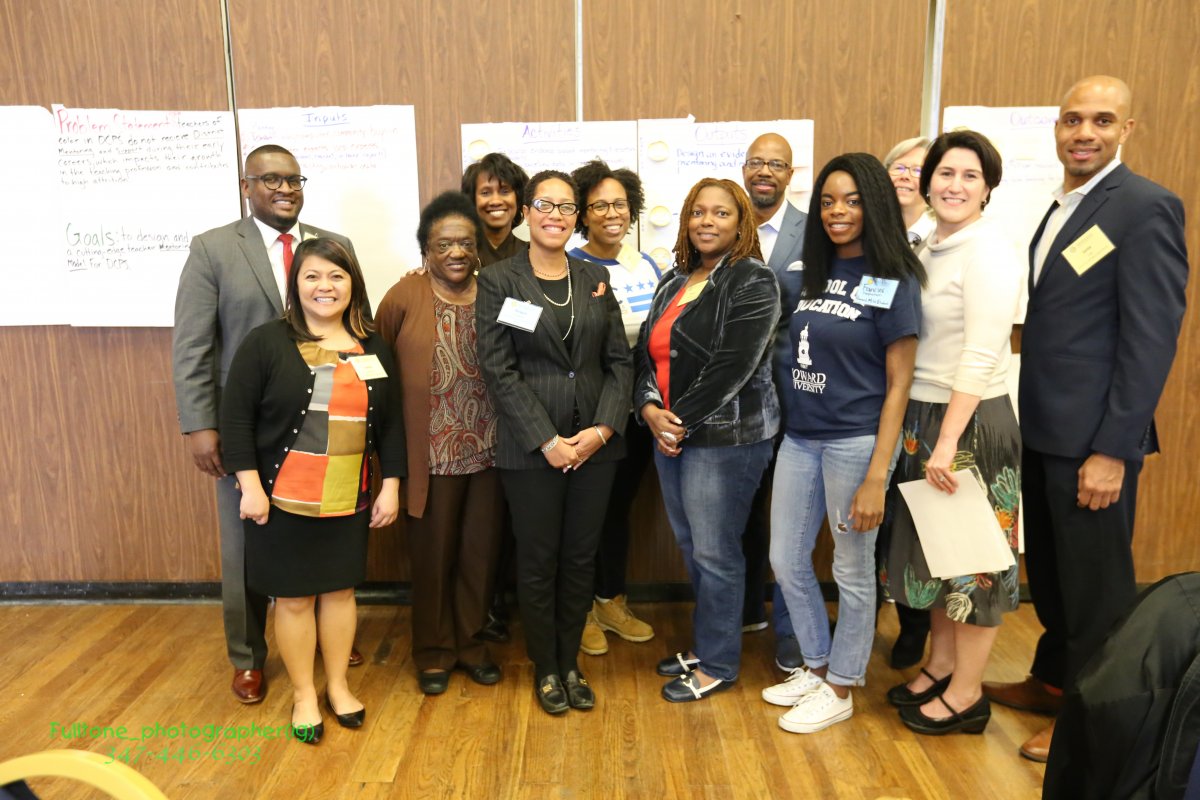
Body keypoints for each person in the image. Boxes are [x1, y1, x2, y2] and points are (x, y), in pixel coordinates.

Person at [983, 75, 1188, 762]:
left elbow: (1149, 340)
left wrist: (1113, 449)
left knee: (1096, 591)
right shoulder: (1063, 205)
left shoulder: (1145, 207)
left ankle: (1091, 725)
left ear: (1127, 130)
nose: (1085, 132)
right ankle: (1051, 680)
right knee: (1053, 571)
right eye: (1073, 119)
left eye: (1103, 120)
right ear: (1057, 127)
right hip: (1044, 430)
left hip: (1094, 442)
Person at [172, 144, 364, 706]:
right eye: (271, 180)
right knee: (245, 543)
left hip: (329, 425)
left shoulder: (333, 245)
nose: (285, 189)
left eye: (294, 179)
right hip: (248, 426)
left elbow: (356, 323)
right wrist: (199, 424)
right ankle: (249, 657)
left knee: (325, 535)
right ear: (246, 185)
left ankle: (330, 645)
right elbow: (192, 344)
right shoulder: (212, 249)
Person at [219, 238, 405, 744]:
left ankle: (338, 686)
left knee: (342, 593)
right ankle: (305, 693)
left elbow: (390, 425)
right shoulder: (266, 342)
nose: (325, 287)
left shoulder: (372, 345)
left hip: (349, 496)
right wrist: (250, 487)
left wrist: (390, 486)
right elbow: (235, 420)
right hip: (281, 500)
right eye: (313, 276)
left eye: (337, 277)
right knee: (295, 600)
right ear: (296, 284)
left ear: (353, 284)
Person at [763, 153, 923, 733]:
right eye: (829, 200)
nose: (838, 211)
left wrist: (878, 473)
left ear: (875, 204)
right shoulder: (813, 271)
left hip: (856, 444)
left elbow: (900, 381)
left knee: (854, 573)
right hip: (801, 441)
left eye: (853, 200)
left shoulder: (893, 279)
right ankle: (816, 662)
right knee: (785, 557)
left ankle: (843, 684)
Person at [882, 129, 1024, 735]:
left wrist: (946, 443)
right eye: (945, 173)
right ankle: (940, 665)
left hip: (967, 423)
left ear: (988, 187)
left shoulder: (988, 249)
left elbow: (980, 353)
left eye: (970, 176)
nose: (955, 185)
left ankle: (968, 694)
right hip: (923, 414)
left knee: (974, 567)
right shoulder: (928, 242)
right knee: (939, 559)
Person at [475, 170, 633, 715]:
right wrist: (547, 440)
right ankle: (546, 667)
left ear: (578, 217)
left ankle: (572, 663)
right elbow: (499, 369)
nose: (555, 215)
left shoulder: (594, 277)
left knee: (580, 558)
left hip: (596, 448)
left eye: (566, 207)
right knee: (539, 560)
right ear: (525, 212)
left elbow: (618, 361)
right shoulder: (499, 280)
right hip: (530, 450)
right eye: (545, 204)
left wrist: (602, 429)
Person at [636, 178, 780, 703]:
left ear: (741, 222)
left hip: (727, 440)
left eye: (721, 213)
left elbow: (732, 367)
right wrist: (650, 410)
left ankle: (718, 662)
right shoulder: (673, 280)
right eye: (698, 212)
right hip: (672, 435)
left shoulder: (753, 280)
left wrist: (677, 421)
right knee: (693, 547)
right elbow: (649, 356)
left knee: (717, 553)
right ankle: (708, 642)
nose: (707, 222)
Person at [376, 192, 505, 696]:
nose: (456, 251)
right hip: (427, 457)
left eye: (465, 243)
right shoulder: (403, 297)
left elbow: (530, 348)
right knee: (432, 560)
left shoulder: (497, 292)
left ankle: (471, 645)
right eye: (443, 243)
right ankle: (433, 651)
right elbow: (379, 373)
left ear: (478, 250)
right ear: (425, 250)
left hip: (492, 454)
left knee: (479, 556)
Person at [567, 159, 660, 657]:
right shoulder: (570, 265)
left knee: (618, 511)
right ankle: (579, 609)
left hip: (638, 414)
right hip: (594, 413)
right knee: (587, 515)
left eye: (619, 204)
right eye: (599, 204)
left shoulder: (645, 264)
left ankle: (610, 600)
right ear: (583, 212)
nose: (611, 213)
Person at [738, 133, 803, 671]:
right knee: (738, 515)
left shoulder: (814, 233)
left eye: (775, 164)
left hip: (794, 401)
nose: (765, 171)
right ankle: (738, 612)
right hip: (729, 407)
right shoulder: (717, 225)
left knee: (789, 523)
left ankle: (790, 631)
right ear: (743, 169)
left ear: (790, 172)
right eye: (757, 162)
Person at [878, 135, 935, 671]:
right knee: (871, 512)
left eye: (918, 168)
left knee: (913, 516)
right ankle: (864, 613)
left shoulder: (939, 241)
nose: (905, 175)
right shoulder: (866, 240)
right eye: (898, 165)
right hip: (869, 397)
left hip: (924, 400)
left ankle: (914, 623)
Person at [463, 152, 530, 268]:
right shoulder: (459, 255)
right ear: (472, 200)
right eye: (485, 193)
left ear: (518, 198)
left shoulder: (532, 256)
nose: (496, 201)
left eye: (505, 191)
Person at [883, 137, 936, 250]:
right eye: (898, 168)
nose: (905, 176)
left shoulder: (937, 235)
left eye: (917, 170)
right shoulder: (870, 227)